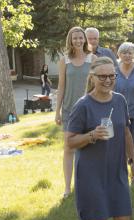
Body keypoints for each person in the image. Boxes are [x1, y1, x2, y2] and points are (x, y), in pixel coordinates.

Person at [65, 57, 134, 220]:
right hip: (91, 172)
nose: (108, 80)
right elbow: (70, 142)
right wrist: (90, 136)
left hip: (116, 169)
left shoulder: (119, 101)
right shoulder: (83, 106)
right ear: (92, 77)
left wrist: (133, 160)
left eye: (112, 76)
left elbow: (126, 132)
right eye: (103, 76)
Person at [54, 27, 94, 198]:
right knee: (69, 148)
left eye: (80, 38)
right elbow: (61, 86)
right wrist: (57, 111)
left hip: (88, 109)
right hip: (70, 109)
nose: (78, 41)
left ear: (85, 40)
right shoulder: (65, 60)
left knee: (87, 148)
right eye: (75, 38)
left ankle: (86, 184)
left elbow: (95, 85)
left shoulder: (93, 59)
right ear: (70, 41)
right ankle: (67, 188)